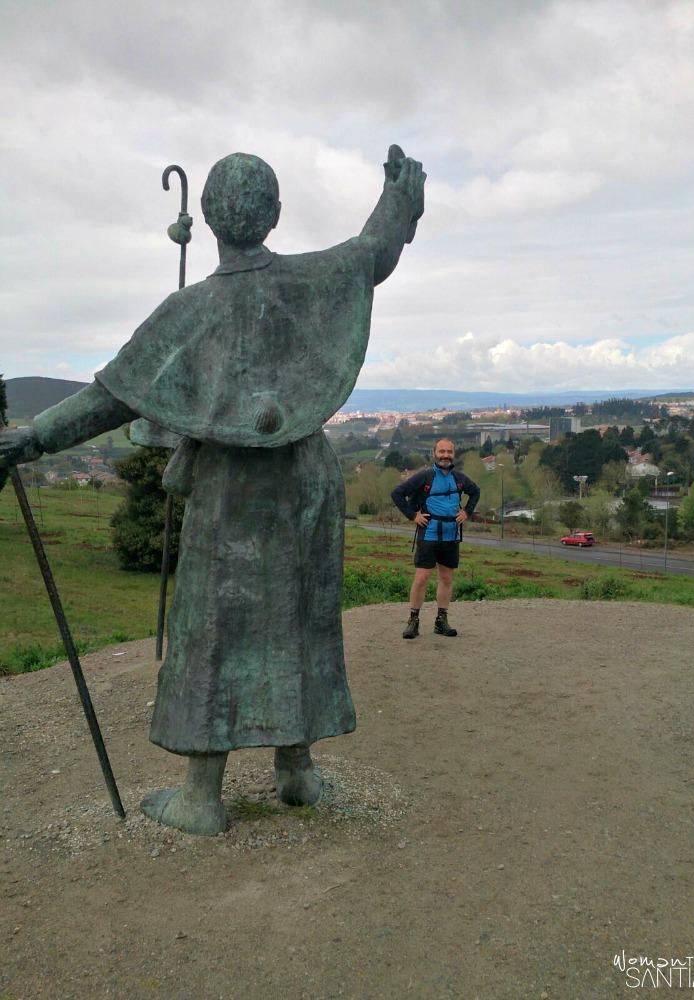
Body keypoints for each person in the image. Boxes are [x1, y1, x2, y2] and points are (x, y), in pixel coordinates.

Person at [0, 146, 426, 835]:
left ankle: (203, 795)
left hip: (232, 487)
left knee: (216, 627)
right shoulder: (317, 278)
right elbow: (373, 250)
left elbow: (109, 395)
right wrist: (402, 199)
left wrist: (32, 437)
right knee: (299, 619)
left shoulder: (188, 310)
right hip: (305, 480)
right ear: (276, 214)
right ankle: (298, 771)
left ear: (207, 218)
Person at [391, 439, 479, 639]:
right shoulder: (425, 476)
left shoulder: (459, 478)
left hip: (450, 535)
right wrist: (413, 516)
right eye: (442, 451)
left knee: (446, 578)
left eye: (449, 452)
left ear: (454, 454)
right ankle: (413, 621)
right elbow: (397, 493)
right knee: (421, 579)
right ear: (434, 453)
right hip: (429, 535)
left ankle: (441, 621)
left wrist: (467, 512)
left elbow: (475, 492)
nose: (445, 455)